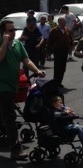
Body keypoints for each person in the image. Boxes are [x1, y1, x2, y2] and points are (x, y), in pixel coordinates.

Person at [0, 20, 45, 160]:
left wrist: (37, 71)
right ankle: (15, 150)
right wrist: (5, 42)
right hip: (2, 86)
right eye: (10, 30)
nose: (13, 32)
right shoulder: (2, 44)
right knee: (10, 117)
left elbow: (26, 60)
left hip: (13, 85)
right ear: (3, 32)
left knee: (4, 115)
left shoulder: (18, 44)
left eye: (14, 30)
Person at [46, 17, 75, 88]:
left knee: (63, 67)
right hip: (57, 51)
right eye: (63, 22)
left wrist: (72, 45)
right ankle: (55, 82)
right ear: (59, 22)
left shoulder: (67, 29)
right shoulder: (54, 30)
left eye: (65, 22)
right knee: (57, 67)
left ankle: (59, 82)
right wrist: (47, 51)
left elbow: (70, 38)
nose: (65, 23)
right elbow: (49, 41)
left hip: (65, 51)